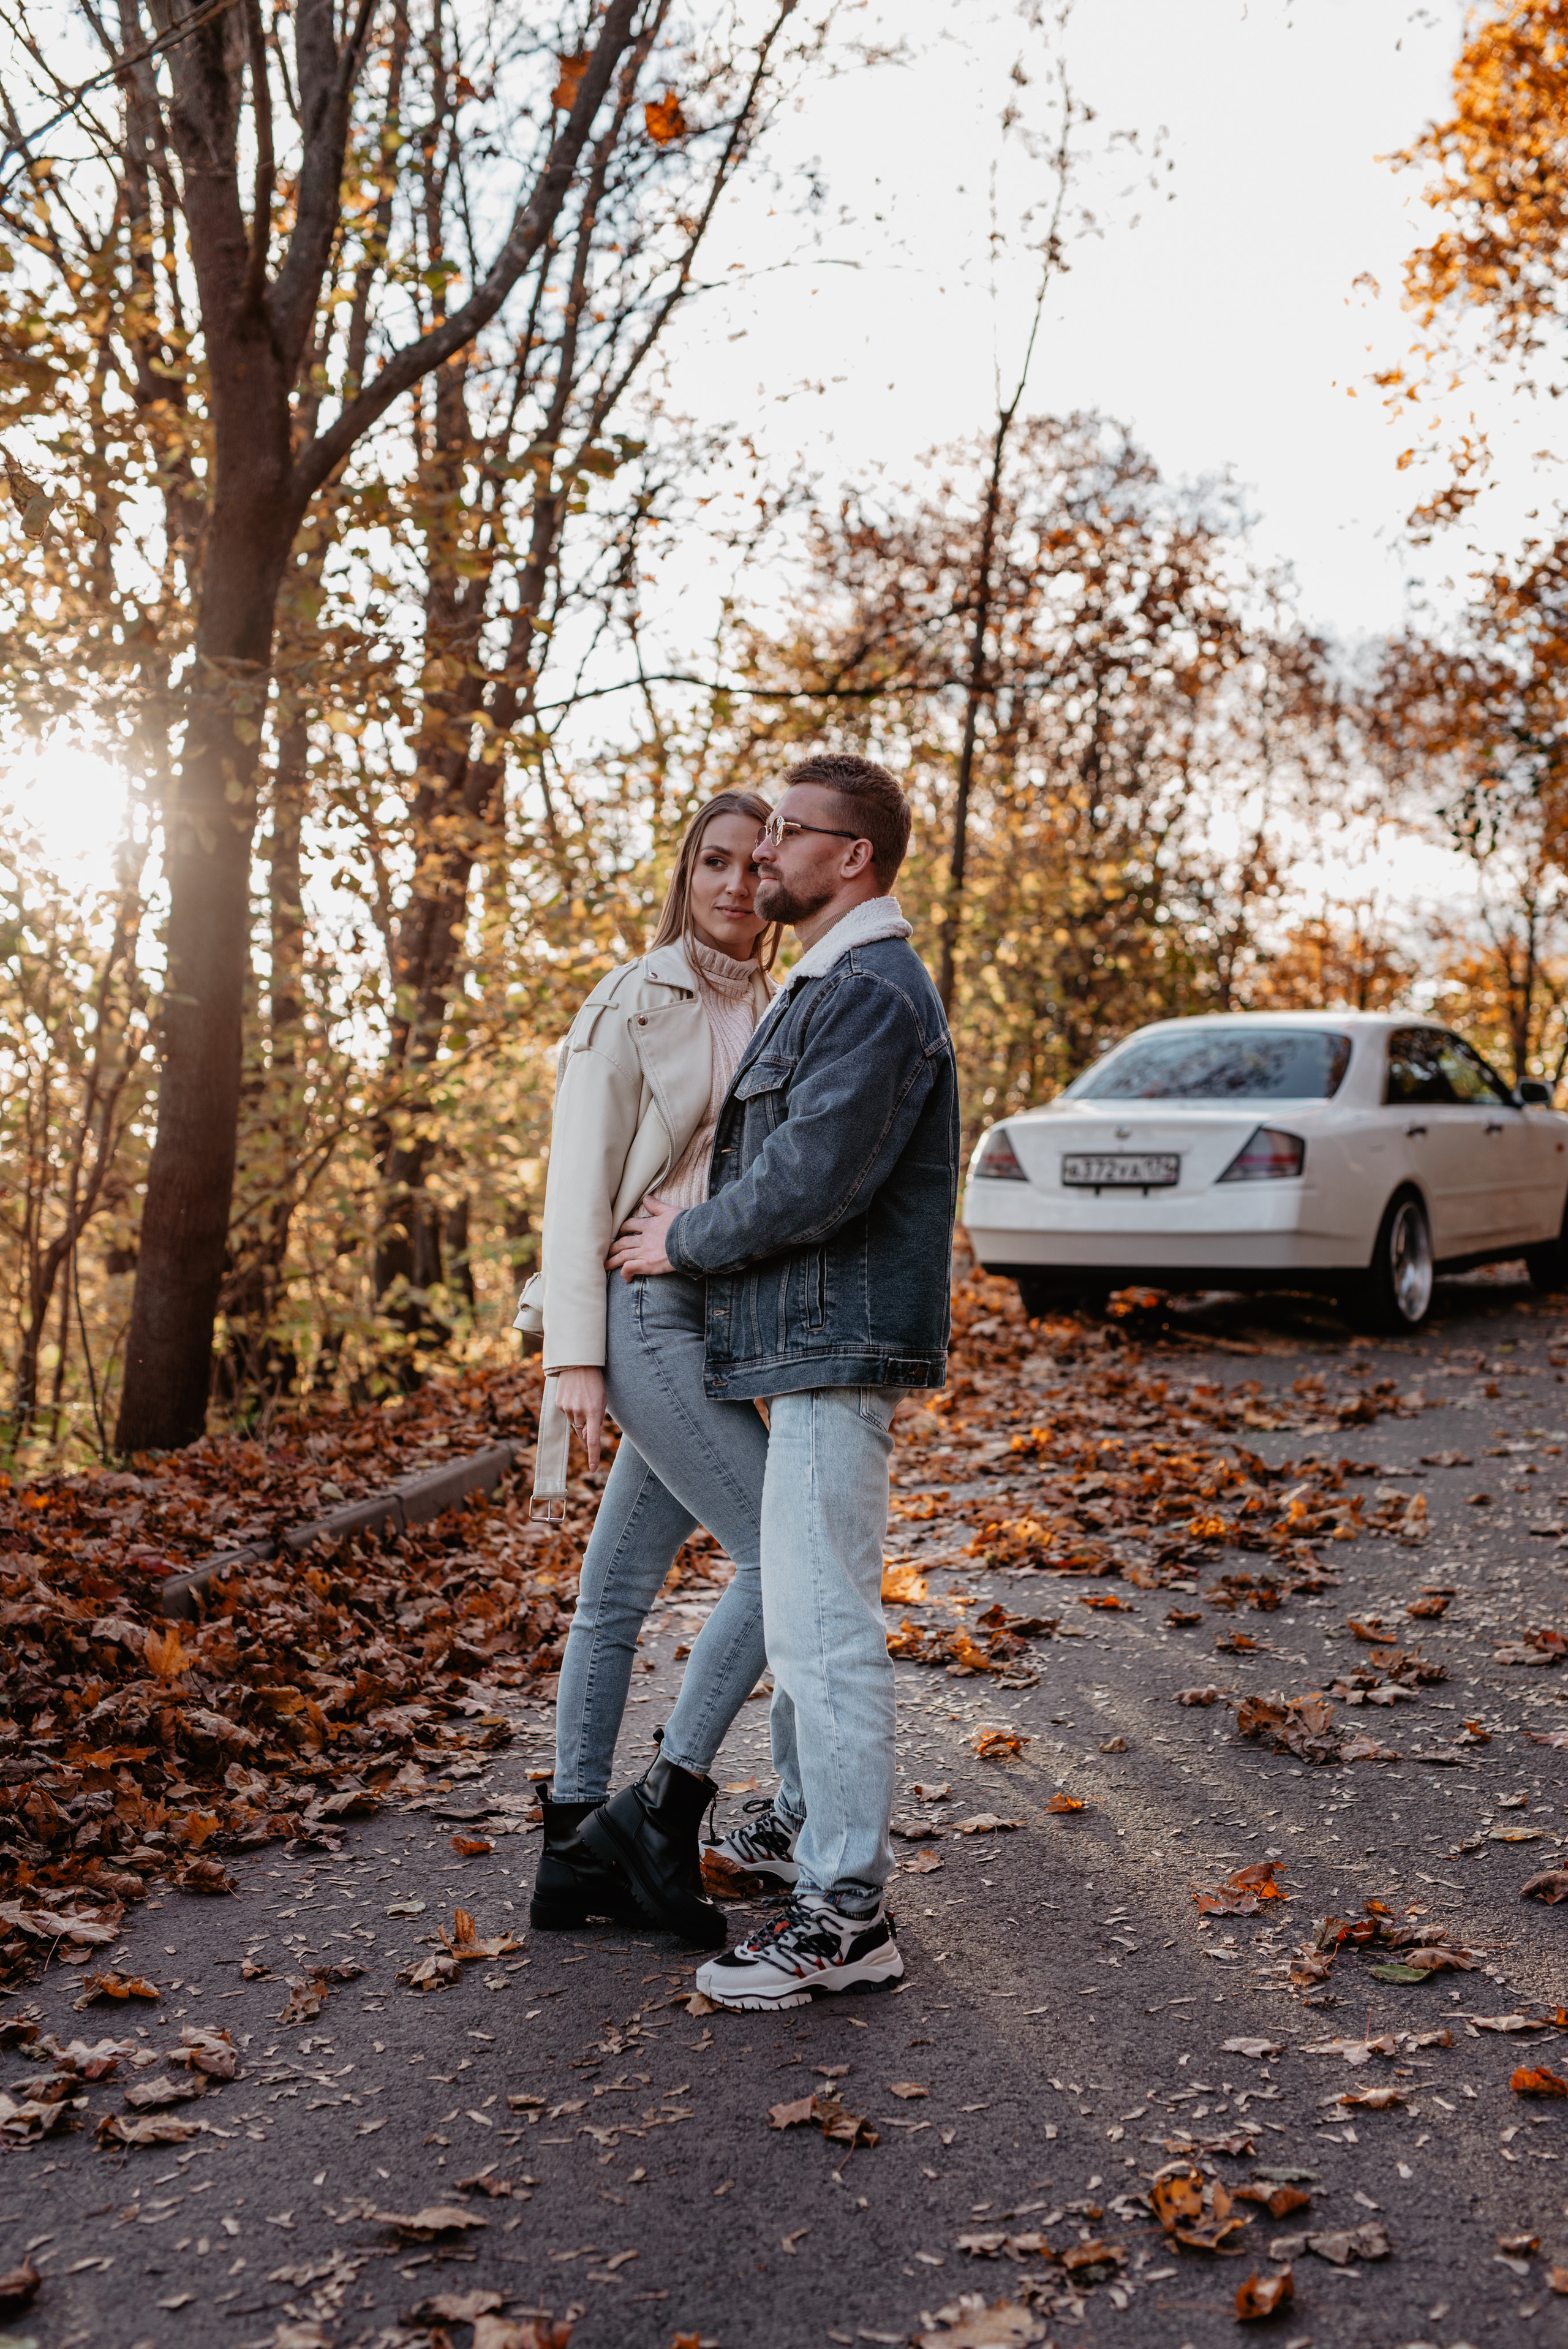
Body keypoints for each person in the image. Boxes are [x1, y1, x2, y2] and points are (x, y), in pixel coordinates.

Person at [591, 752, 960, 2010]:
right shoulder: (833, 983)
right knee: (806, 1612)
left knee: (822, 1632)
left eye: (786, 837)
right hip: (809, 1340)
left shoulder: (867, 991)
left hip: (835, 1341)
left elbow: (812, 1180)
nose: (761, 860)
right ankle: (804, 1827)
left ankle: (845, 1915)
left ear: (848, 855)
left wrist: (675, 1241)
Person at [522, 790, 805, 1946]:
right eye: (714, 863)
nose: (736, 884)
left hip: (715, 1315)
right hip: (641, 1311)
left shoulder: (786, 1008)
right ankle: (660, 1810)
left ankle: (571, 1850)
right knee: (778, 1551)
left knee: (617, 1589)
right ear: (686, 874)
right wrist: (576, 1357)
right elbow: (576, 1183)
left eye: (756, 865)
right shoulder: (633, 1000)